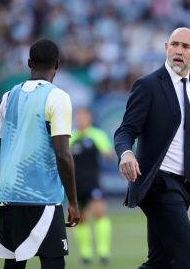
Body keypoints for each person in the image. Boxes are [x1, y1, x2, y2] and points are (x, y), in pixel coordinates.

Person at [114, 27, 190, 269]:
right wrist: (126, 152)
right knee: (188, 257)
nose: (179, 51)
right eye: (174, 44)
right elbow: (125, 131)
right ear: (166, 47)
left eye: (186, 47)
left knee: (160, 261)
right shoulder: (148, 85)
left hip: (183, 187)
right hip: (157, 184)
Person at [0, 38, 80, 269]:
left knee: (14, 264)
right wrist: (73, 202)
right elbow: (63, 155)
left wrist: (5, 183)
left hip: (9, 197)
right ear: (57, 64)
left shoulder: (7, 97)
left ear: (28, 63)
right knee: (53, 262)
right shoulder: (58, 97)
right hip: (43, 198)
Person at [70, 107, 113, 266]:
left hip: (93, 183)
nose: (80, 120)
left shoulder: (97, 135)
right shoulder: (71, 137)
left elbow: (108, 154)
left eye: (83, 117)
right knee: (81, 219)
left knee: (100, 213)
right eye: (78, 118)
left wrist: (108, 153)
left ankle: (103, 252)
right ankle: (85, 254)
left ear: (89, 119)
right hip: (76, 185)